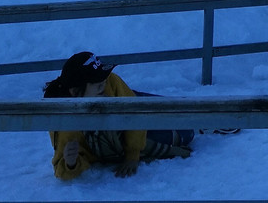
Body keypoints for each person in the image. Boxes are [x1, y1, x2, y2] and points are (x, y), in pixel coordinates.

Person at [43, 52, 194, 181]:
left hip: (132, 103)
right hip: (123, 132)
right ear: (75, 92)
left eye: (103, 78)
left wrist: (132, 156)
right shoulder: (65, 124)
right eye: (97, 84)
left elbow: (134, 112)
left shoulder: (110, 81)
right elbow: (61, 169)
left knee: (181, 109)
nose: (104, 83)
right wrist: (70, 162)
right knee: (187, 131)